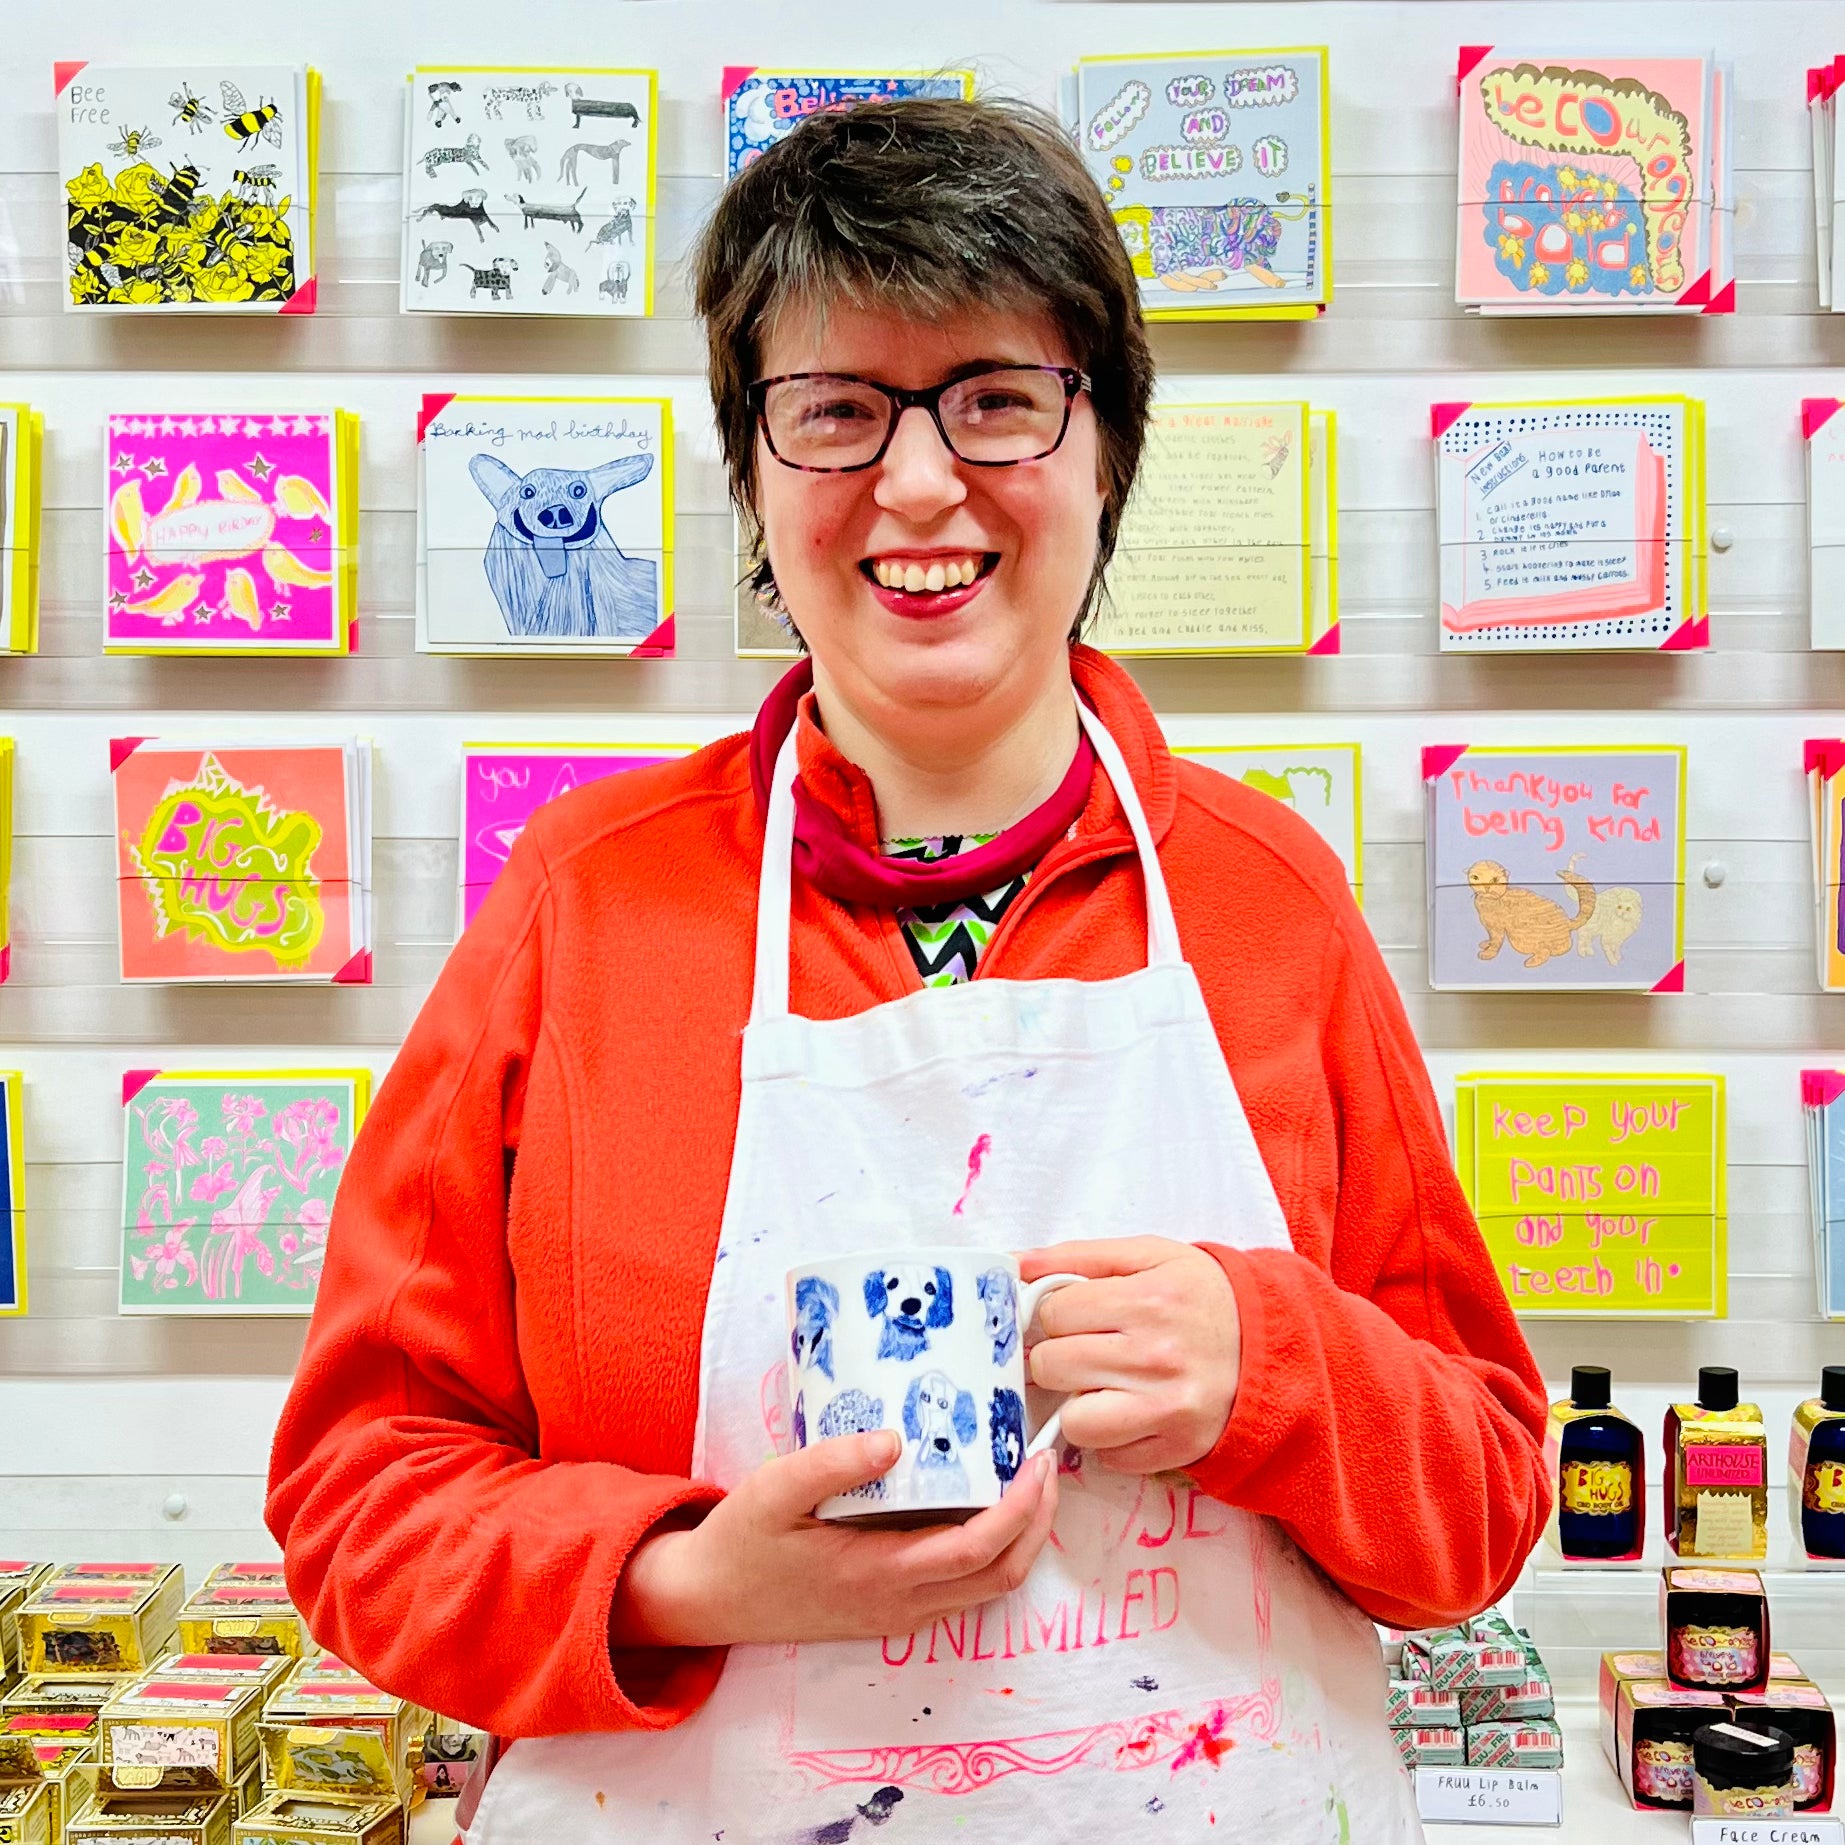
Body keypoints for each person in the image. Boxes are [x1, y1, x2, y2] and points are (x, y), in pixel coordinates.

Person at [267, 97, 1550, 1843]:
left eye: (998, 399)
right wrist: (679, 1578)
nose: (922, 481)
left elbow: (1478, 1504)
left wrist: (1272, 1368)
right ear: (750, 472)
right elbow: (360, 1499)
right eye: (838, 410)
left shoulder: (1270, 903)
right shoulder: (582, 904)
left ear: (1103, 455)